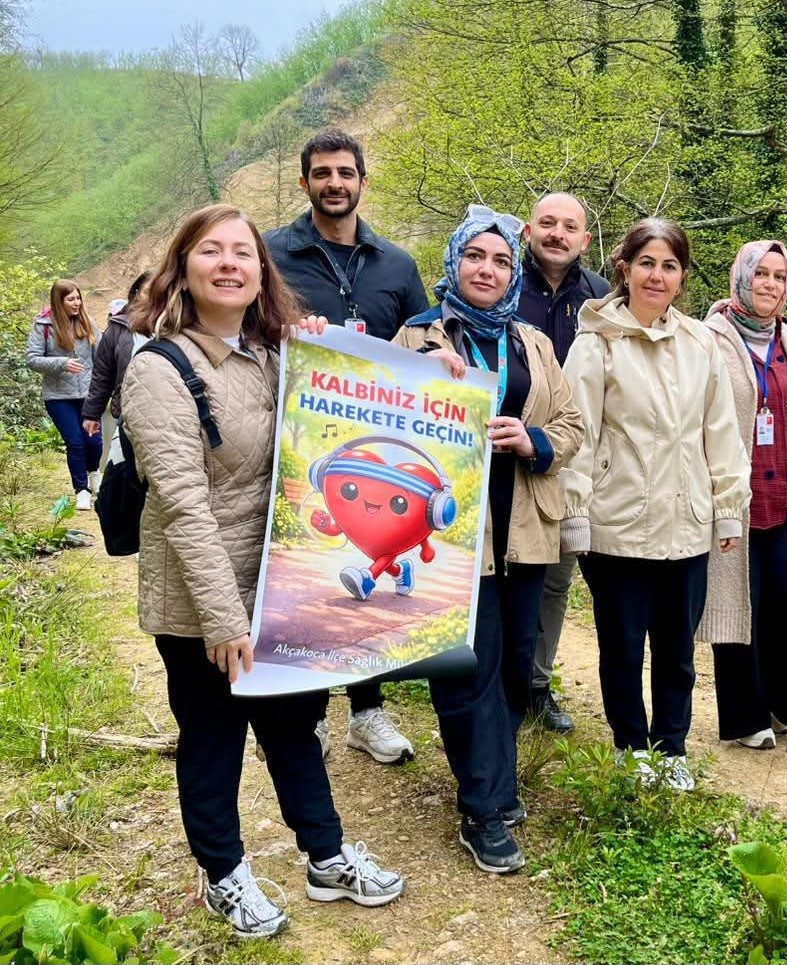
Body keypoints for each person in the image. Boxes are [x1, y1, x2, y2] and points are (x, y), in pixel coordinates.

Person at [121, 204, 405, 938]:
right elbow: (183, 506)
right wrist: (222, 619)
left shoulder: (277, 353)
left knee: (293, 726)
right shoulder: (162, 368)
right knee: (213, 738)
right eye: (210, 251)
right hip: (201, 597)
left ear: (261, 271)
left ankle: (326, 853)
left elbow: (367, 400)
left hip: (280, 587)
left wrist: (433, 367)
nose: (229, 264)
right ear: (182, 266)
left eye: (243, 253)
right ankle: (223, 873)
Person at [396, 204, 583, 873]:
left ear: (514, 272)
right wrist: (428, 388)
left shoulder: (531, 342)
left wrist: (532, 440)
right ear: (453, 263)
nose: (488, 269)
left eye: (501, 259)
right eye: (475, 256)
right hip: (451, 537)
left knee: (511, 668)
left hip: (526, 530)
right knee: (463, 673)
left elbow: (570, 424)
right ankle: (483, 807)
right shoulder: (417, 338)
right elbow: (384, 429)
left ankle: (497, 783)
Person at [560, 218, 751, 791]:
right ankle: (629, 744)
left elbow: (721, 433)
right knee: (622, 646)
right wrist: (575, 517)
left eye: (669, 266)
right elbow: (577, 434)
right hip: (616, 524)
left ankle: (671, 746)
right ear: (624, 268)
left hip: (686, 521)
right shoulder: (595, 343)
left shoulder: (701, 345)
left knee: (676, 650)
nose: (657, 275)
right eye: (647, 263)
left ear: (682, 277)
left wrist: (727, 508)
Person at [265, 127, 428, 764]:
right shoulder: (271, 253)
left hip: (375, 446)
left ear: (362, 180)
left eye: (346, 172)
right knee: (299, 569)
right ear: (305, 181)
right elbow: (250, 329)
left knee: (369, 568)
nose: (335, 183)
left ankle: (367, 711)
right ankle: (306, 710)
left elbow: (421, 336)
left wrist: (443, 365)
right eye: (322, 173)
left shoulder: (396, 263)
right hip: (294, 434)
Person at [697, 241, 787, 750]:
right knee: (740, 606)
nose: (771, 285)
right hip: (735, 501)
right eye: (761, 273)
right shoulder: (709, 337)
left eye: (780, 276)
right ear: (740, 276)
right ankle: (744, 718)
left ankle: (782, 702)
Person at [517, 192, 610, 733]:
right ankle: (494, 681)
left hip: (574, 460)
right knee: (507, 577)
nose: (556, 234)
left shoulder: (599, 298)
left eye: (568, 226)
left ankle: (535, 684)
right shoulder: (505, 282)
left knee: (555, 581)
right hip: (510, 453)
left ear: (584, 239)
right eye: (547, 223)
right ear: (529, 230)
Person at [26, 280, 102, 510]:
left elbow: (102, 357)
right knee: (75, 442)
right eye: (71, 299)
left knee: (94, 442)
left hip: (88, 394)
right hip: (58, 396)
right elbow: (32, 359)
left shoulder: (88, 323)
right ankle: (81, 490)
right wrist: (62, 363)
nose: (77, 303)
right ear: (59, 302)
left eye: (78, 298)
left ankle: (95, 474)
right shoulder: (43, 326)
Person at [82, 271, 151, 440]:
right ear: (135, 294)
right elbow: (103, 374)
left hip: (173, 413)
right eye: (148, 292)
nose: (155, 298)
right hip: (128, 412)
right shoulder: (117, 329)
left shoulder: (180, 327)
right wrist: (92, 413)